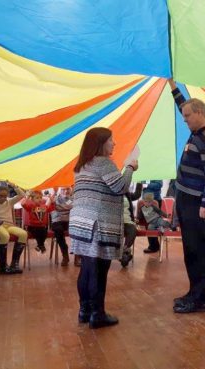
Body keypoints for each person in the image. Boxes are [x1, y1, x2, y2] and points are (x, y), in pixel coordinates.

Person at [69, 127, 137, 329]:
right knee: (99, 268)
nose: (114, 144)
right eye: (111, 140)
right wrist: (130, 167)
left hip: (81, 222)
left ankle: (85, 311)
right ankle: (97, 314)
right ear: (100, 143)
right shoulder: (103, 162)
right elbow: (121, 187)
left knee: (87, 268)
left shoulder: (82, 165)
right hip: (98, 222)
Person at [168, 78, 205, 313]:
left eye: (188, 116)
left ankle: (200, 300)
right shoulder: (197, 131)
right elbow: (184, 104)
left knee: (197, 250)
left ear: (200, 113)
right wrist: (172, 86)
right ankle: (193, 292)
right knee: (189, 249)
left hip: (195, 203)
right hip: (184, 198)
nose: (185, 119)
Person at [21, 190, 54, 254]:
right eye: (37, 198)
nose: (40, 199)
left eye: (40, 197)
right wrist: (27, 196)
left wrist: (52, 202)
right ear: (32, 199)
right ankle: (41, 246)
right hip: (32, 227)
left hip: (42, 227)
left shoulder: (44, 206)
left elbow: (51, 209)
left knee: (44, 232)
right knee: (39, 231)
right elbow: (23, 203)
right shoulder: (31, 206)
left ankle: (39, 246)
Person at [121, 182, 143, 268]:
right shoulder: (112, 194)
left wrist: (139, 182)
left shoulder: (127, 195)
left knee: (133, 229)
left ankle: (124, 252)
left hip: (128, 221)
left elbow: (137, 195)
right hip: (116, 222)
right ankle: (125, 254)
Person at [50, 186, 73, 266]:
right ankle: (65, 255)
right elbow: (49, 205)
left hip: (69, 220)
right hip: (57, 220)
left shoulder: (71, 198)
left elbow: (69, 206)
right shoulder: (55, 197)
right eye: (63, 189)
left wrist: (58, 207)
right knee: (58, 231)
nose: (66, 191)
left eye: (68, 189)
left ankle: (78, 257)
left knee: (79, 230)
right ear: (60, 190)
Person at [142, 180, 163, 254]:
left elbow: (159, 185)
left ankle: (154, 246)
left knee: (152, 224)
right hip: (146, 200)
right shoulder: (145, 174)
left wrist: (147, 185)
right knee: (149, 224)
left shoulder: (156, 172)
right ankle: (154, 245)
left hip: (155, 200)